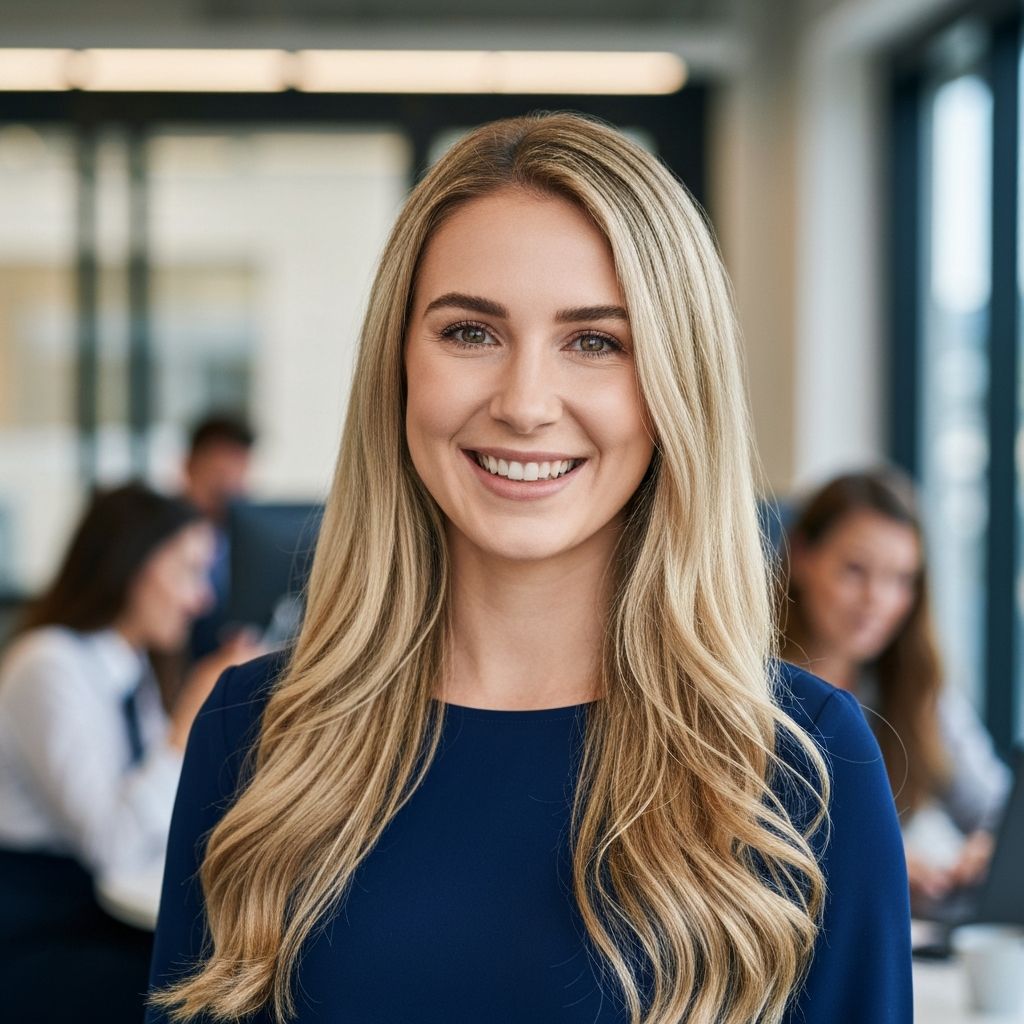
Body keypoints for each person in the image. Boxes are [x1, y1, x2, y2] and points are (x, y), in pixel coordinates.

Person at [148, 113, 911, 1024]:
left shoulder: (801, 762)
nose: (524, 404)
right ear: (398, 368)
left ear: (677, 387)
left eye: (595, 342)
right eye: (470, 333)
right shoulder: (254, 736)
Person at [0, 482, 261, 1024]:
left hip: (95, 914)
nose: (202, 600)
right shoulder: (47, 665)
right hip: (39, 927)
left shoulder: (128, 664)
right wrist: (192, 715)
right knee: (204, 998)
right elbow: (113, 843)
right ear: (133, 564)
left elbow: (158, 810)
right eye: (190, 571)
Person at [778, 467, 1011, 912]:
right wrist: (878, 865)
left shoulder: (914, 687)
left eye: (900, 579)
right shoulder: (746, 689)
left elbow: (998, 809)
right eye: (854, 570)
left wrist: (989, 850)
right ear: (803, 556)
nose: (877, 601)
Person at [181, 413, 256, 660]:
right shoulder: (164, 534)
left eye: (238, 472)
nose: (228, 486)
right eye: (218, 473)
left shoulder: (251, 537)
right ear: (190, 467)